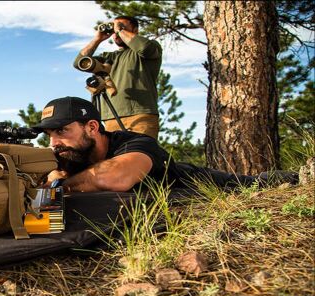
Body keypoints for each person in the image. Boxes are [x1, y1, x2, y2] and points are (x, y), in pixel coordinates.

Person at [34, 96, 294, 193]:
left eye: (62, 131)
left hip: (201, 186)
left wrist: (59, 185)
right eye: (48, 135)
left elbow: (116, 177)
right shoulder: (67, 153)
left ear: (92, 127)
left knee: (257, 185)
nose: (55, 142)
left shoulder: (136, 141)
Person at [74, 16, 161, 139]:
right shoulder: (108, 57)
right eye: (114, 30)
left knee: (140, 154)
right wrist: (98, 39)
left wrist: (120, 30)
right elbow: (78, 62)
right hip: (110, 118)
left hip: (141, 115)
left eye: (121, 27)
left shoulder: (149, 48)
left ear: (135, 30)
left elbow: (145, 48)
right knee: (115, 157)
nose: (116, 33)